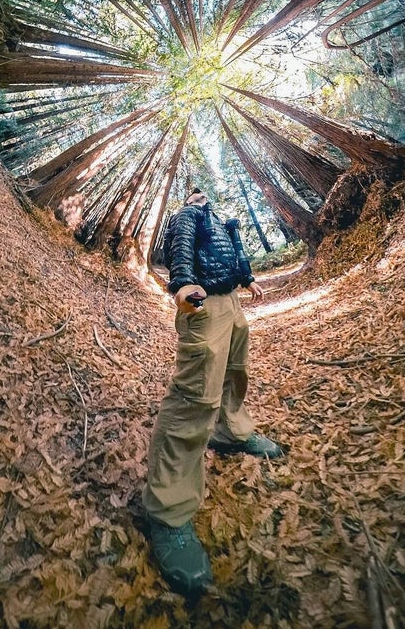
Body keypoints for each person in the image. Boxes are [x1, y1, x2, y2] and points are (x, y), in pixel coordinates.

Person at [141, 187, 283, 595]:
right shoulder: (188, 216)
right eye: (194, 191)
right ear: (189, 196)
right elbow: (180, 246)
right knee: (195, 396)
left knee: (234, 373)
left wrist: (248, 279)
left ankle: (232, 433)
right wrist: (181, 283)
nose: (201, 194)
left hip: (232, 301)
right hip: (204, 305)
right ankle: (168, 511)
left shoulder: (219, 221)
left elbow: (234, 253)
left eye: (203, 191)